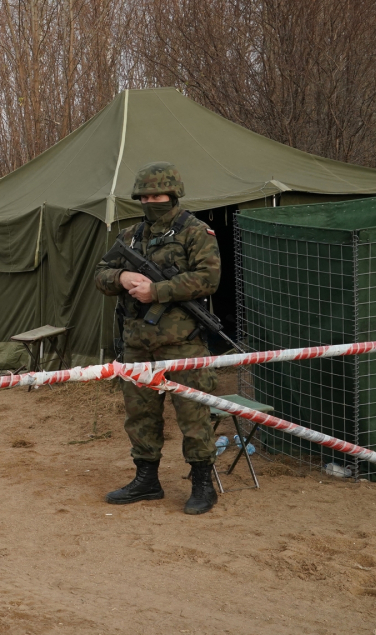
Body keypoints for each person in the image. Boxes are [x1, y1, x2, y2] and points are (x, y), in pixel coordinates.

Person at [94, 162, 221, 515]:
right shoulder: (131, 236)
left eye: (158, 195)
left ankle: (202, 485)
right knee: (141, 417)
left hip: (183, 345)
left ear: (173, 195)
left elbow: (208, 280)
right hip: (137, 345)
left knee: (194, 417)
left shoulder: (195, 232)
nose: (152, 201)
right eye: (145, 196)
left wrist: (158, 290)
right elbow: (100, 274)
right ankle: (146, 481)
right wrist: (122, 278)